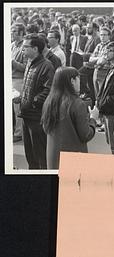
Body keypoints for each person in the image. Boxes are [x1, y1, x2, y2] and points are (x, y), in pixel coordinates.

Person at [41, 67, 98, 169]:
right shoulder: (77, 103)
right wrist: (93, 119)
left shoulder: (49, 101)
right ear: (72, 81)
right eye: (78, 79)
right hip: (73, 159)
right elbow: (86, 135)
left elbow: (46, 128)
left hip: (53, 157)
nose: (79, 82)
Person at [19, 34, 55, 169]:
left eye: (25, 47)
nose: (22, 50)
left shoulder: (47, 65)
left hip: (36, 117)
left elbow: (49, 90)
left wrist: (33, 102)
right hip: (26, 115)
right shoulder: (30, 63)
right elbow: (30, 86)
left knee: (40, 156)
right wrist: (22, 97)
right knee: (30, 155)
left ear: (35, 49)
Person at [11, 23, 27, 143]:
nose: (12, 33)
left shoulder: (24, 47)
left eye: (15, 31)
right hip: (10, 78)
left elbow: (26, 67)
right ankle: (12, 129)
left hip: (18, 80)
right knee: (11, 109)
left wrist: (13, 62)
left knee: (17, 108)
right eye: (12, 31)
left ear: (21, 33)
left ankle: (19, 132)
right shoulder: (12, 45)